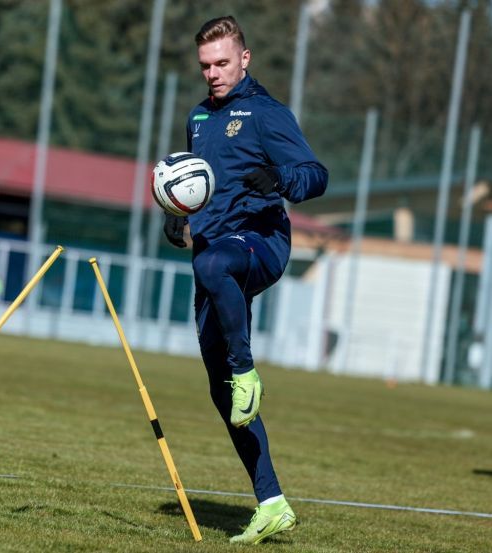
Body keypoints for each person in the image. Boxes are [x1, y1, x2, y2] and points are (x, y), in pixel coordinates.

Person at [162, 16, 328, 545]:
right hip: (214, 251)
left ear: (245, 58)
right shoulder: (197, 117)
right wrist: (177, 215)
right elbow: (194, 183)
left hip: (261, 244)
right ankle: (272, 502)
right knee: (222, 391)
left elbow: (315, 175)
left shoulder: (266, 113)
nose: (213, 73)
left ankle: (247, 368)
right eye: (205, 66)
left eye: (222, 63)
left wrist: (279, 177)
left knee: (213, 269)